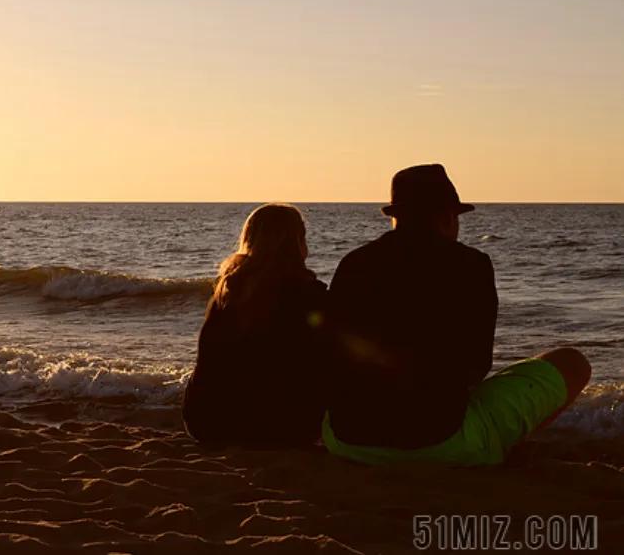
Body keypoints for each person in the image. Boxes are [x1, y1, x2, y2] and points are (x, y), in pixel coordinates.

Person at [322, 164, 592, 466]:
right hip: (441, 442)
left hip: (346, 440)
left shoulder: (354, 263)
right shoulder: (471, 264)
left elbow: (330, 351)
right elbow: (477, 364)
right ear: (446, 217)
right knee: (573, 363)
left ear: (395, 217)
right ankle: (499, 447)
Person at [182, 203, 327, 448]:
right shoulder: (308, 294)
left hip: (206, 421)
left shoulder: (228, 290)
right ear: (298, 241)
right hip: (281, 428)